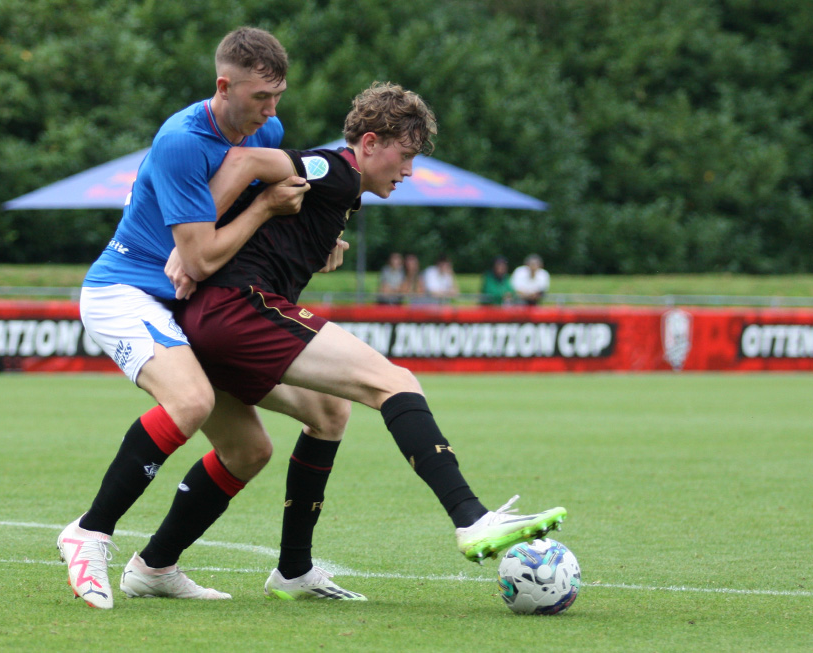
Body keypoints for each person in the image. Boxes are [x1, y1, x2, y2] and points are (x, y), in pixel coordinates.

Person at [162, 82, 567, 599]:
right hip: (237, 310)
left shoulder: (341, 192)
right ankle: (471, 518)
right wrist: (189, 243)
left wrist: (321, 237)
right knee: (393, 381)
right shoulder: (337, 169)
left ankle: (267, 569)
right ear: (370, 143)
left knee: (329, 414)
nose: (409, 172)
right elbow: (243, 163)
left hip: (217, 319)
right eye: (406, 156)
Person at [57, 27, 353, 610]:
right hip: (124, 292)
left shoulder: (264, 131)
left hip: (188, 306)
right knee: (189, 402)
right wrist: (267, 204)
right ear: (223, 86)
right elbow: (198, 255)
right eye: (258, 98)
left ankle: (156, 567)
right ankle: (89, 533)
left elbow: (244, 235)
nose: (271, 112)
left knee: (276, 437)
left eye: (277, 97)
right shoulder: (181, 142)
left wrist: (322, 238)